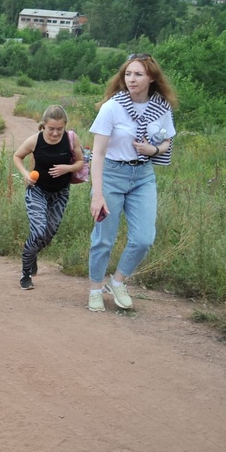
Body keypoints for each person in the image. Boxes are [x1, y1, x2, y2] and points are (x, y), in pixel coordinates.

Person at [87, 54, 176, 312]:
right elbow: (98, 153)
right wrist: (98, 194)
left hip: (143, 176)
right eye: (128, 74)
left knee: (144, 238)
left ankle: (117, 281)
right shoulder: (113, 107)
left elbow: (167, 141)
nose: (132, 79)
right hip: (112, 174)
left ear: (151, 78)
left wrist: (153, 150)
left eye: (138, 74)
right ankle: (95, 289)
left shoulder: (162, 107)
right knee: (104, 238)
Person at [12, 107, 84, 291]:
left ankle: (32, 253)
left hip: (60, 193)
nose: (55, 132)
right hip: (37, 191)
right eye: (51, 128)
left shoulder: (71, 138)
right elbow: (17, 156)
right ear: (43, 125)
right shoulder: (34, 140)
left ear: (64, 126)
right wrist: (25, 174)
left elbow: (80, 163)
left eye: (59, 128)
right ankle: (26, 273)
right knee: (38, 231)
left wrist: (67, 169)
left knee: (49, 234)